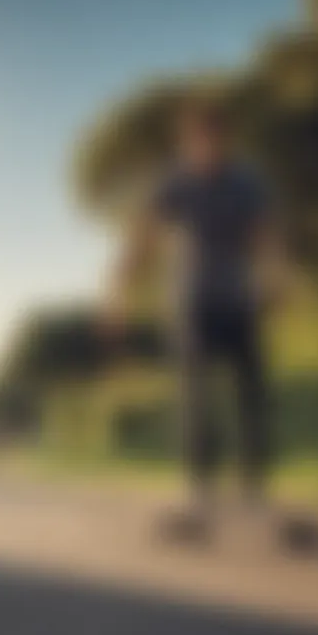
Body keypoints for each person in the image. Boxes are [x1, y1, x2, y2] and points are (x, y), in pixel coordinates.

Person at [103, 98, 288, 539]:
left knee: (251, 395)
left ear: (225, 139)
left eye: (215, 137)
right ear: (188, 142)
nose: (207, 146)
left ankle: (253, 485)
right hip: (191, 303)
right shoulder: (176, 184)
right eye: (198, 139)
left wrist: (276, 279)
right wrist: (116, 297)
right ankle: (200, 488)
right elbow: (141, 240)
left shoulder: (246, 183)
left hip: (239, 301)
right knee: (196, 396)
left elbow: (265, 236)